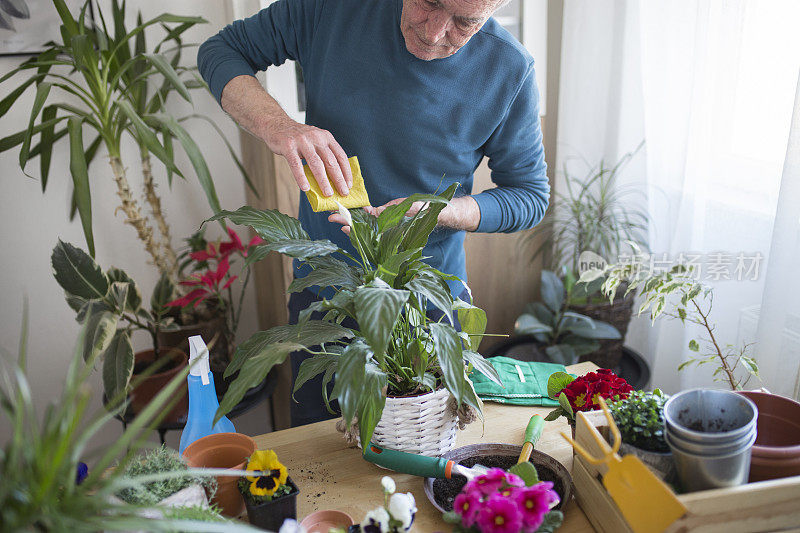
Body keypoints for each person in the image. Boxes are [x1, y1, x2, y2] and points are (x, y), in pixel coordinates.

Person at [198, 0, 550, 426]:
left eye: (464, 22)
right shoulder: (332, 8)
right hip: (325, 295)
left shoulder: (510, 69)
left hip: (427, 304)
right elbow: (221, 51)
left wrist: (439, 212)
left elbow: (529, 195)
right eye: (429, 3)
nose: (435, 31)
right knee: (319, 455)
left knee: (424, 461)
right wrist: (279, 125)